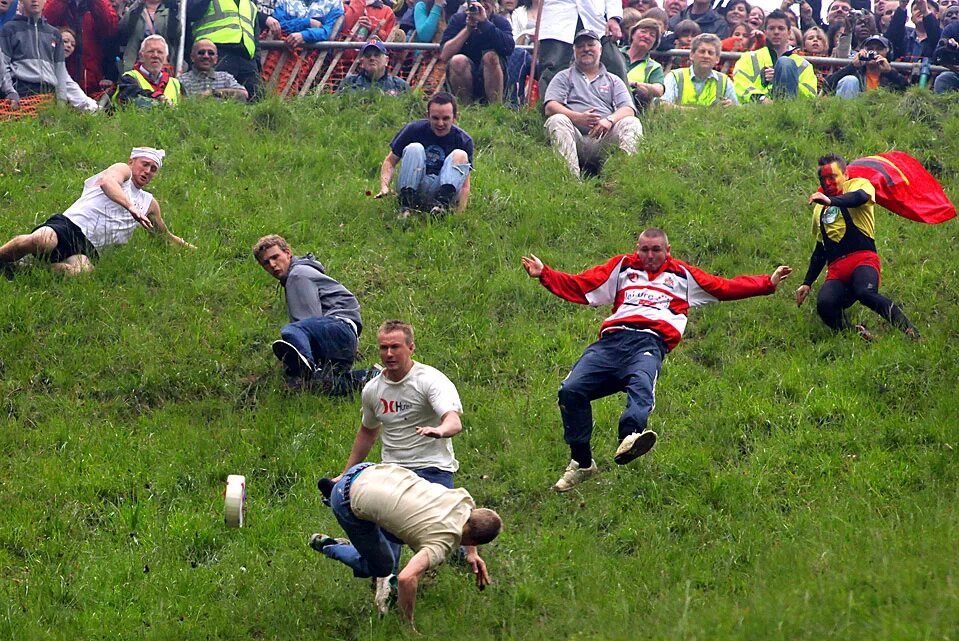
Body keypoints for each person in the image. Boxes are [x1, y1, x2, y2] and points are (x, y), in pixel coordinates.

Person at [521, 228, 792, 492]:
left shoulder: (683, 275)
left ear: (668, 251)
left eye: (656, 250)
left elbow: (723, 286)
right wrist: (545, 274)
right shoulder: (623, 268)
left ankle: (630, 436)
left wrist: (767, 283)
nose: (649, 255)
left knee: (641, 384)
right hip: (611, 342)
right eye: (644, 249)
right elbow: (582, 285)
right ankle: (582, 463)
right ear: (637, 249)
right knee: (570, 390)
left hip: (649, 343)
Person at [331, 320, 469, 607]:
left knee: (447, 533)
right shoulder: (373, 389)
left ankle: (463, 557)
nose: (389, 353)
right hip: (393, 473)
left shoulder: (430, 380)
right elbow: (368, 432)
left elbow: (453, 420)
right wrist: (345, 474)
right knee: (385, 556)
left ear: (411, 347)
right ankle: (384, 593)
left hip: (433, 468)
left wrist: (440, 430)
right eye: (383, 347)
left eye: (395, 347)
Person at [309, 463, 502, 628]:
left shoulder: (462, 499)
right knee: (382, 567)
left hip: (370, 471)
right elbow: (406, 578)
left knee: (403, 533)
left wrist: (471, 554)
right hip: (346, 499)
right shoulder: (442, 542)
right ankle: (331, 546)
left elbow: (473, 518)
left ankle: (332, 491)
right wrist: (406, 625)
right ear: (475, 541)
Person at [0, 148, 194, 277]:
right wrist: (131, 208)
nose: (148, 171)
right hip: (69, 227)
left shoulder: (149, 203)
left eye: (153, 169)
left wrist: (193, 252)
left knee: (81, 273)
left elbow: (164, 236)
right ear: (132, 162)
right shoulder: (122, 171)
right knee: (42, 240)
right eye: (145, 164)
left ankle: (28, 268)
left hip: (89, 248)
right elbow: (107, 182)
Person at [795, 155, 919, 340]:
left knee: (865, 293)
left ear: (845, 174)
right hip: (836, 271)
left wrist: (831, 201)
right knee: (825, 305)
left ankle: (912, 333)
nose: (828, 183)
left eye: (832, 177)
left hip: (863, 261)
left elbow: (858, 198)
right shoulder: (818, 209)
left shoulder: (858, 185)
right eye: (823, 179)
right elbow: (821, 248)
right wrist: (807, 282)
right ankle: (857, 335)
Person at [252, 234, 371, 393]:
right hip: (344, 339)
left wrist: (297, 361)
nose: (272, 264)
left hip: (338, 327)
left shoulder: (298, 275)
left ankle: (304, 368)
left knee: (291, 330)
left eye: (275, 257)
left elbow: (308, 320)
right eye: (266, 262)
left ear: (288, 253)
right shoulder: (301, 273)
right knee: (319, 385)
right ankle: (368, 377)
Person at [543, 29, 642, 179]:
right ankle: (570, 182)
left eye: (591, 44)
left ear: (600, 49)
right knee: (557, 120)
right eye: (580, 46)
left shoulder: (613, 80)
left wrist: (609, 120)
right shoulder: (563, 77)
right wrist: (577, 118)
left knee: (631, 123)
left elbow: (628, 109)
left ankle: (624, 179)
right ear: (574, 51)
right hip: (575, 137)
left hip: (604, 139)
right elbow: (550, 107)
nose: (586, 49)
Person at [375, 92, 474, 216]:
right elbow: (390, 161)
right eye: (435, 118)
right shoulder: (413, 130)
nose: (440, 123)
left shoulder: (463, 140)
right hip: (415, 183)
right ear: (428, 116)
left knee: (460, 154)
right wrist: (384, 187)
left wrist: (460, 214)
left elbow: (465, 184)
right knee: (414, 148)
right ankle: (405, 205)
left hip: (443, 188)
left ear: (455, 117)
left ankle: (440, 207)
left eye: (446, 118)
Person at [0, 0, 98, 111]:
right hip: (21, 93)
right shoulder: (10, 29)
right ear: (21, 1)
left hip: (48, 97)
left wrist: (63, 102)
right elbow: (3, 66)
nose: (34, 1)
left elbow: (61, 73)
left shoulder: (54, 34)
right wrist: (10, 92)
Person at [535, 0, 628, 96]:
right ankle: (549, 108)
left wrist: (613, 18)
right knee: (553, 70)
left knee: (614, 63)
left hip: (595, 19)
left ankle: (626, 107)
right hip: (557, 19)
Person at [732, 9, 818, 103]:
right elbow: (740, 85)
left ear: (789, 32)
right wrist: (761, 99)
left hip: (793, 113)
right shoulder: (749, 58)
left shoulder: (804, 65)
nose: (776, 32)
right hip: (756, 111)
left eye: (781, 28)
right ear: (765, 32)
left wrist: (782, 79)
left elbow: (811, 95)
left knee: (785, 63)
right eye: (771, 28)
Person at [440, 0, 515, 105]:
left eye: (486, 1)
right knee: (458, 60)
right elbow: (444, 55)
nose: (482, 5)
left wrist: (485, 24)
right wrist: (468, 29)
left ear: (494, 3)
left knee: (490, 56)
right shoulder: (458, 19)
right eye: (478, 1)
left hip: (494, 76)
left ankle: (495, 109)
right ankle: (465, 110)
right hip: (462, 76)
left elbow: (509, 48)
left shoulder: (500, 22)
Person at [187, 0, 261, 99]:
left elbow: (254, 35)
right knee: (215, 99)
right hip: (215, 53)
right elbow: (192, 13)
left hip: (247, 58)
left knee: (255, 98)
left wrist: (257, 62)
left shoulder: (249, 3)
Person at [42, 0, 118, 95]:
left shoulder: (98, 4)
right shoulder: (58, 4)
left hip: (91, 84)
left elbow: (110, 27)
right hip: (59, 80)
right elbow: (45, 21)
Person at [662, 32, 738, 105]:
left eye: (710, 53)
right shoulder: (674, 77)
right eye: (702, 51)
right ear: (691, 55)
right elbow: (663, 105)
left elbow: (736, 110)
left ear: (717, 59)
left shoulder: (725, 81)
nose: (706, 56)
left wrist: (731, 106)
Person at [112, 34, 184, 107]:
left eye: (160, 52)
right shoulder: (128, 78)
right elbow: (130, 97)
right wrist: (158, 98)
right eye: (151, 51)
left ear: (166, 58)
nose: (155, 55)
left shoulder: (176, 84)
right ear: (141, 56)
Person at [824, 34, 907, 96]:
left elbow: (909, 90)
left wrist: (890, 73)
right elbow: (827, 85)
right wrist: (852, 66)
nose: (874, 52)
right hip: (854, 113)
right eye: (870, 49)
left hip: (881, 114)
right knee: (850, 80)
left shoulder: (892, 76)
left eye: (879, 49)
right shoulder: (855, 72)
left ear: (888, 53)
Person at [116, 0, 180, 73]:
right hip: (135, 63)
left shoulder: (173, 9)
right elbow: (122, 28)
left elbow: (178, 34)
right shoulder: (136, 9)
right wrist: (135, 5)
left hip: (163, 63)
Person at [178, 39, 249, 100]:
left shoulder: (225, 78)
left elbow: (244, 95)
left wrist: (212, 92)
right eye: (201, 53)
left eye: (211, 53)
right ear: (192, 57)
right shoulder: (181, 80)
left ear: (216, 59)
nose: (206, 56)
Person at [338, 38, 410, 93]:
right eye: (368, 55)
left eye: (377, 55)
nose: (372, 58)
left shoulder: (399, 85)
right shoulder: (349, 83)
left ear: (386, 60)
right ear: (362, 62)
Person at [623, 18, 665, 108]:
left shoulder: (654, 67)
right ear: (633, 34)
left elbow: (659, 90)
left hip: (632, 106)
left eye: (652, 35)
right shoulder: (614, 54)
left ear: (654, 43)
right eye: (643, 31)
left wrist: (635, 84)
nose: (647, 36)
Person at [932, 21, 959, 92]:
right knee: (943, 79)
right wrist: (951, 48)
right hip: (957, 73)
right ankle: (941, 103)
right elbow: (937, 57)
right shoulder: (952, 28)